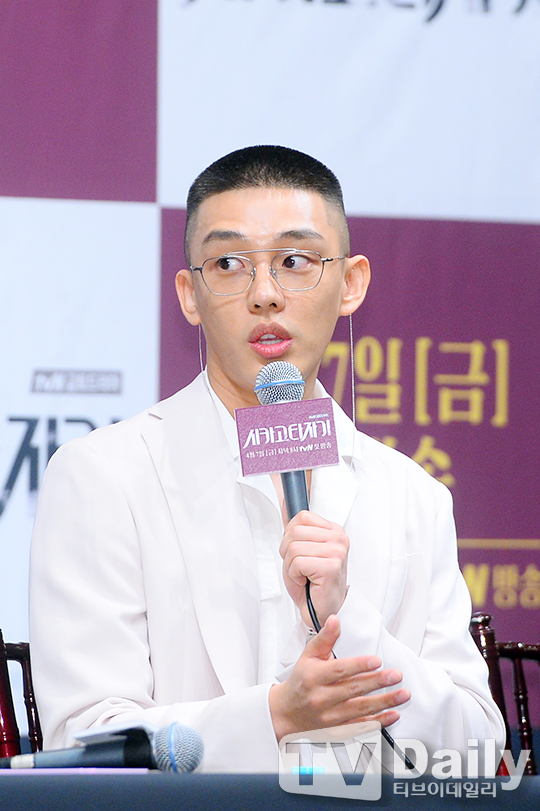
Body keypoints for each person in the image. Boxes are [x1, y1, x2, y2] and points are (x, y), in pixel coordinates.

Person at [29, 145, 504, 773]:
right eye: (229, 264)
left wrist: (349, 619)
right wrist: (277, 716)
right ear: (190, 294)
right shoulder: (104, 476)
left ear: (351, 283)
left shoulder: (412, 495)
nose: (265, 295)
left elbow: (475, 751)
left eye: (294, 261)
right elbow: (84, 739)